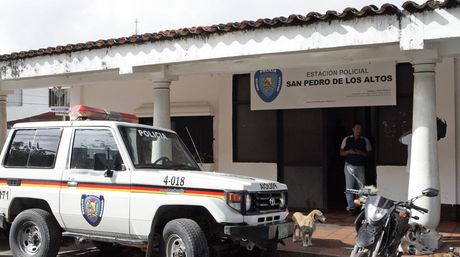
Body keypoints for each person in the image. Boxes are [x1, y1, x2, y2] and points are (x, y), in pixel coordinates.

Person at [340, 122, 372, 214]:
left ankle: (359, 206)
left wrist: (360, 153)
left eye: (360, 129)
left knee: (361, 187)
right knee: (349, 187)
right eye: (357, 128)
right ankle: (351, 207)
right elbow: (341, 153)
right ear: (353, 129)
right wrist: (349, 151)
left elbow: (369, 155)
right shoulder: (347, 139)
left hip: (360, 166)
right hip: (349, 165)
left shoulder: (365, 140)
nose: (359, 130)